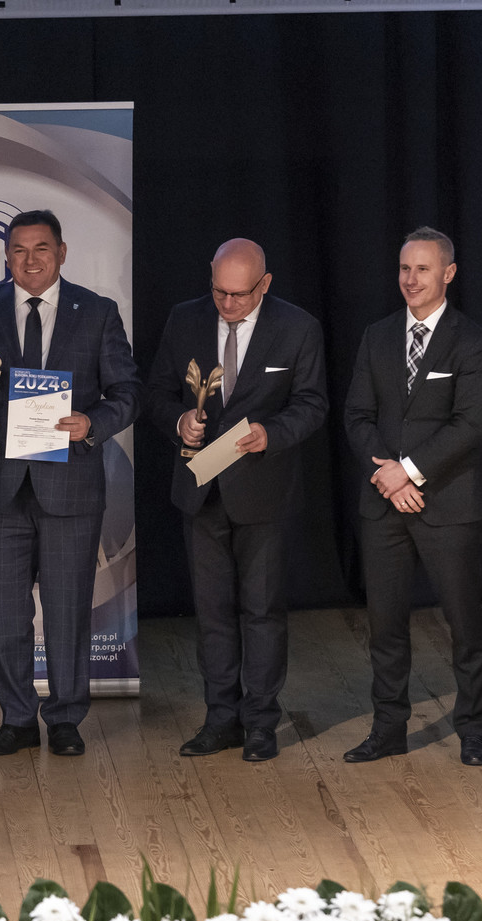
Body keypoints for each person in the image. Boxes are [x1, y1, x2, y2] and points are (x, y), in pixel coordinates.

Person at [0, 209, 140, 757]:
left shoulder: (97, 313)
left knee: (67, 611)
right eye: (19, 250)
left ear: (62, 253)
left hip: (69, 485)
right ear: (6, 256)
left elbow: (128, 393)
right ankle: (17, 719)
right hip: (0, 488)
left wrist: (91, 423)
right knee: (7, 615)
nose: (30, 260)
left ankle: (67, 718)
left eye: (41, 249)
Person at [143, 238, 326, 762]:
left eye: (239, 295)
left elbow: (312, 404)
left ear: (264, 285)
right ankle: (220, 719)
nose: (227, 304)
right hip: (201, 491)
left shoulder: (297, 327)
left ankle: (261, 722)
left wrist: (272, 432)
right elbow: (156, 393)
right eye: (219, 291)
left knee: (262, 611)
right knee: (213, 613)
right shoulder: (184, 319)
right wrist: (179, 420)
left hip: (263, 491)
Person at [342, 228, 482, 767]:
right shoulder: (377, 336)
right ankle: (388, 728)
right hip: (383, 502)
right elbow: (358, 416)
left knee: (464, 623)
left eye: (423, 269)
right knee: (385, 625)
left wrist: (408, 472)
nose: (411, 279)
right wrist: (387, 476)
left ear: (448, 273)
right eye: (405, 268)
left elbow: (470, 424)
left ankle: (473, 730)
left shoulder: (472, 341)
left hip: (447, 504)